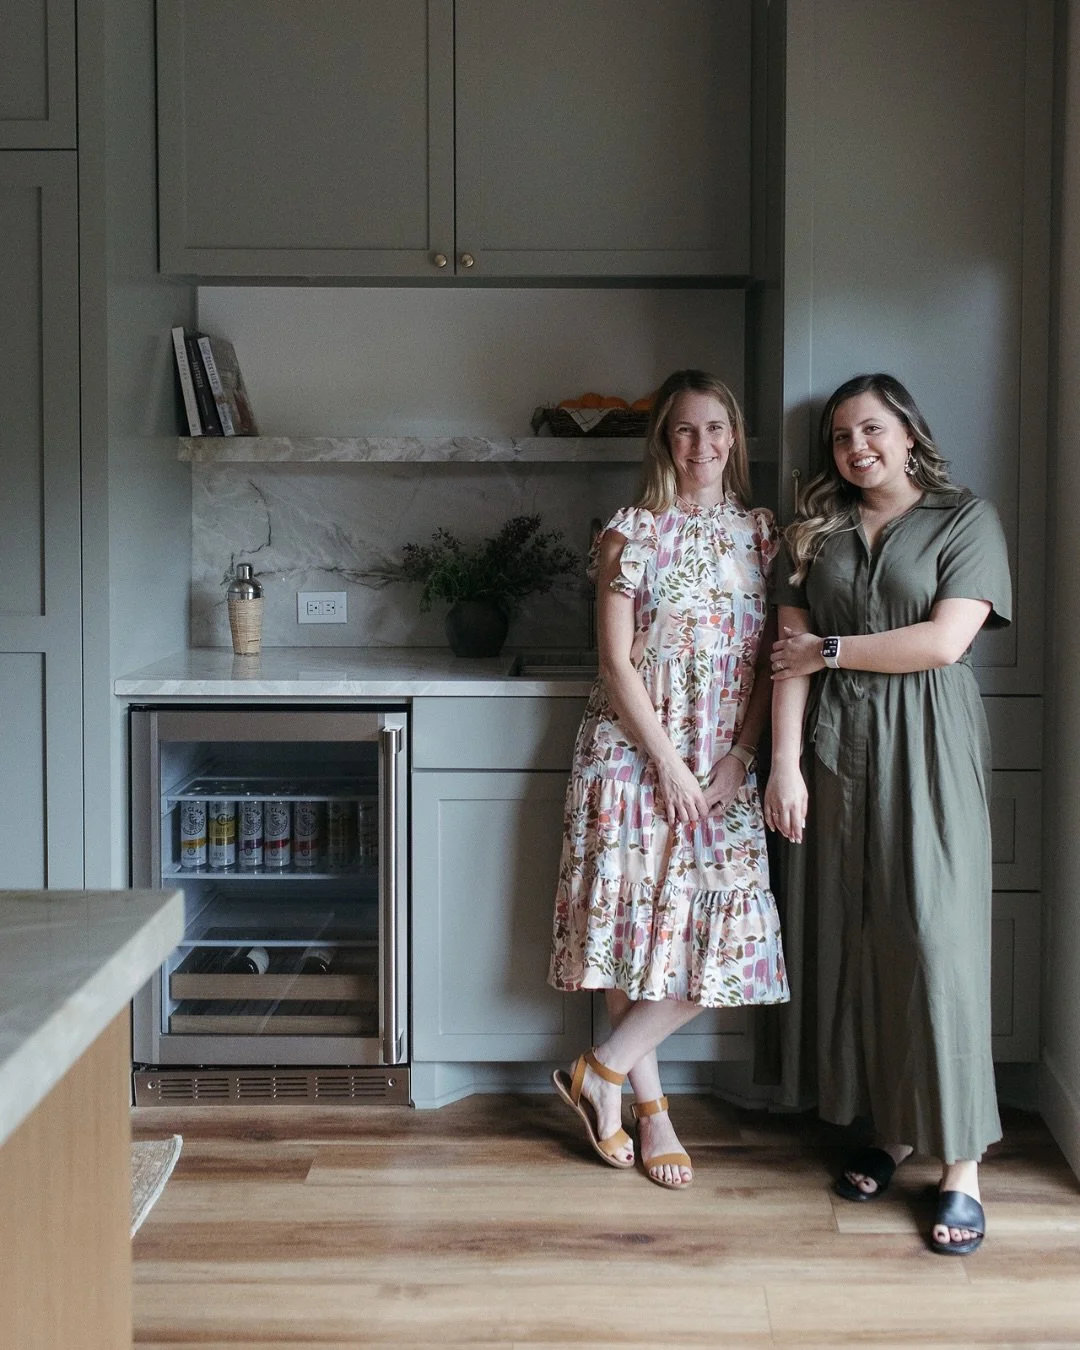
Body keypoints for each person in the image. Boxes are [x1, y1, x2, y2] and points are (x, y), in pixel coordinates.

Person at [764, 372, 1011, 1255]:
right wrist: (784, 765)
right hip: (835, 753)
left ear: (909, 430)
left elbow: (945, 640)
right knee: (859, 941)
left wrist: (834, 647)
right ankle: (890, 1128)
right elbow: (785, 658)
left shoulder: (965, 520)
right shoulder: (813, 532)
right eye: (839, 437)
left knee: (934, 943)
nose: (855, 448)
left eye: (871, 429)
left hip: (930, 748)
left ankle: (961, 1165)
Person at [548, 368, 789, 1190]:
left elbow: (766, 664)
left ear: (735, 437)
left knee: (731, 938)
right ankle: (648, 1111)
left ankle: (601, 1068)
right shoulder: (631, 531)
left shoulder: (762, 534)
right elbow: (615, 663)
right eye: (685, 430)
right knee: (628, 932)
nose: (702, 445)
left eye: (716, 427)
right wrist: (667, 764)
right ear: (664, 441)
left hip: (721, 759)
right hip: (630, 750)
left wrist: (738, 758)